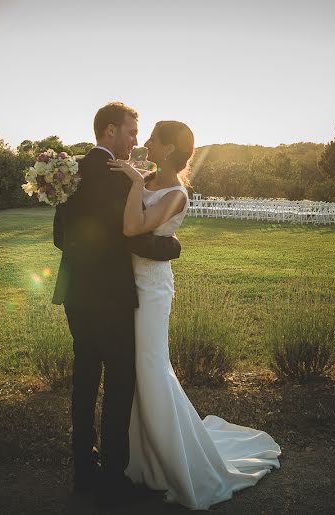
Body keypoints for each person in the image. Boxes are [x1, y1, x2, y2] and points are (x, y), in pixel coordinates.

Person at [108, 121, 281, 510]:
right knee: (132, 371)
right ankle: (141, 462)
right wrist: (135, 181)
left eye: (153, 138)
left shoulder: (176, 194)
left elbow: (133, 227)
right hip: (124, 284)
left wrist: (135, 184)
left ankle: (175, 464)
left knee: (151, 368)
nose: (146, 143)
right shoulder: (147, 178)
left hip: (151, 288)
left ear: (168, 149)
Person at [51, 102, 181, 506]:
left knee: (85, 381)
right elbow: (130, 236)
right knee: (120, 383)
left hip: (76, 294)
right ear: (109, 132)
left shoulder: (66, 172)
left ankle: (82, 472)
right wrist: (171, 245)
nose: (135, 141)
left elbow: (59, 237)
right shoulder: (123, 181)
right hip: (112, 297)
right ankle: (113, 476)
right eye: (130, 132)